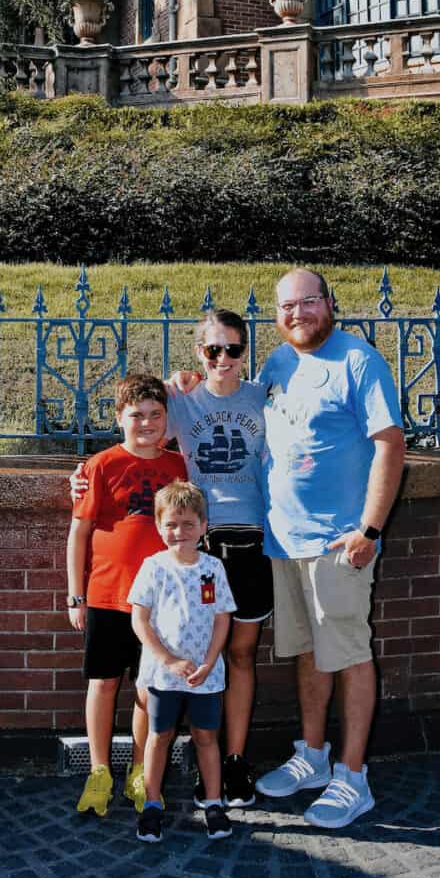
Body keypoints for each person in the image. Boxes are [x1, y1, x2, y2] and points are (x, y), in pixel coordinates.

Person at [71, 309, 271, 807]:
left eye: (233, 349)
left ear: (247, 351)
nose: (223, 358)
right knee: (128, 674)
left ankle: (217, 763)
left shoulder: (259, 400)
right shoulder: (178, 404)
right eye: (212, 350)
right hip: (160, 564)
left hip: (238, 544)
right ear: (198, 354)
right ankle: (116, 771)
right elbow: (142, 409)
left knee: (224, 658)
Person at [253, 267, 406, 830]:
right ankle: (313, 756)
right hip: (283, 538)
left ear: (330, 303)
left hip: (340, 541)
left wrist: (369, 529)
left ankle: (353, 775)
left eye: (308, 302)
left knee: (348, 652)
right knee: (309, 651)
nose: (298, 314)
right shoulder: (278, 362)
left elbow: (390, 444)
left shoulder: (359, 361)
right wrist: (190, 383)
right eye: (288, 306)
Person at [66, 372, 186, 818]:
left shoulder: (179, 466)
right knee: (103, 683)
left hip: (161, 601)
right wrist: (75, 595)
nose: (147, 423)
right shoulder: (100, 466)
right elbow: (79, 533)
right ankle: (99, 771)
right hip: (107, 594)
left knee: (148, 688)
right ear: (119, 418)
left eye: (156, 415)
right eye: (137, 415)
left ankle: (141, 770)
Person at [129, 479, 237, 843]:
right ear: (159, 527)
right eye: (171, 524)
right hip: (164, 674)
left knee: (207, 737)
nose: (180, 532)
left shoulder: (213, 568)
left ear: (203, 526)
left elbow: (223, 616)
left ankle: (213, 801)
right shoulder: (153, 567)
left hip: (206, 674)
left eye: (188, 523)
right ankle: (152, 804)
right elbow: (139, 620)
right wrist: (168, 659)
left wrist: (209, 661)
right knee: (159, 736)